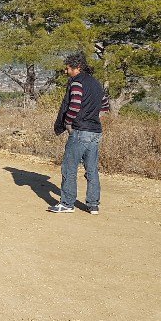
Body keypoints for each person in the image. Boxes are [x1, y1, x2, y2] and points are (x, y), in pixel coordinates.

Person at [49, 53, 110, 215]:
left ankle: (67, 203)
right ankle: (93, 205)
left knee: (69, 168)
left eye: (68, 68)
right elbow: (105, 105)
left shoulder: (77, 82)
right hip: (95, 131)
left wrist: (68, 123)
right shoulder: (96, 83)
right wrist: (94, 117)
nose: (66, 71)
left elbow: (74, 105)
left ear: (77, 68)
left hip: (80, 131)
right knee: (91, 170)